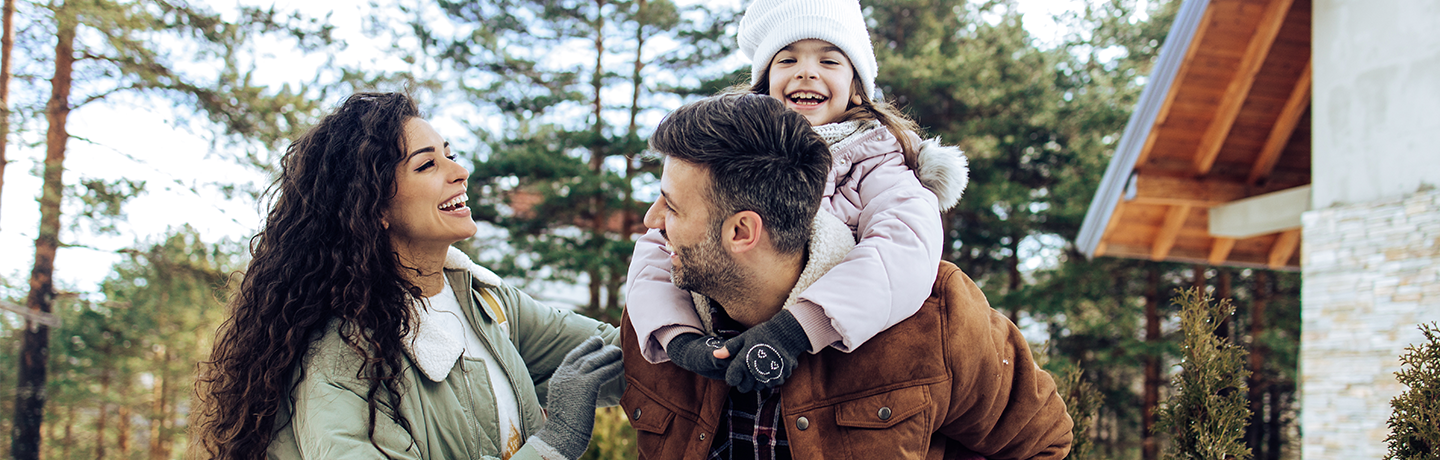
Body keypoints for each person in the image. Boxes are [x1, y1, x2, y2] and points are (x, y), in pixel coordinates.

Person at [619, 93, 1071, 459]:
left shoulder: (936, 317)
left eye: (671, 206)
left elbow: (1042, 445)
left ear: (742, 231)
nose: (651, 218)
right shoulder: (654, 321)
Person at [192, 92, 623, 460]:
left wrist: (673, 267)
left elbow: (632, 357)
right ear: (373, 206)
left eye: (449, 155)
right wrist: (553, 444)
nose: (459, 171)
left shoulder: (487, 304)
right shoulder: (341, 355)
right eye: (427, 165)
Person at [625, 0, 970, 391]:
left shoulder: (880, 161)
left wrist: (799, 327)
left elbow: (903, 251)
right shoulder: (730, 158)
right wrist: (680, 338)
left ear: (857, 88)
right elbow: (663, 246)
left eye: (829, 61)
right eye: (787, 60)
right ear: (765, 83)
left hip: (835, 358)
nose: (807, 71)